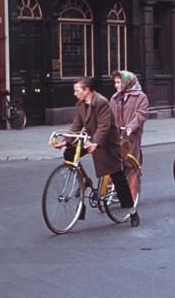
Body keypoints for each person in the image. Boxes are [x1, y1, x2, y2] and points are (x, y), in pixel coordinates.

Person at [54, 77, 138, 226]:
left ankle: (132, 210)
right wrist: (66, 141)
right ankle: (85, 180)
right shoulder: (81, 104)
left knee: (116, 175)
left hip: (107, 142)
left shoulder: (101, 102)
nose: (75, 93)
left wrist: (96, 143)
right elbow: (76, 125)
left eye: (77, 90)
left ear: (87, 90)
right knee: (69, 153)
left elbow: (104, 127)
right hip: (92, 140)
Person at [110, 70, 149, 167]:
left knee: (131, 165)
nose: (116, 85)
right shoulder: (115, 98)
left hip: (131, 137)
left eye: (118, 82)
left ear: (127, 82)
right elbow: (109, 116)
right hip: (116, 137)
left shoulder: (140, 97)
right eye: (115, 82)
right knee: (114, 167)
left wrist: (131, 127)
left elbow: (141, 115)